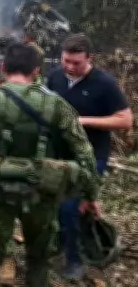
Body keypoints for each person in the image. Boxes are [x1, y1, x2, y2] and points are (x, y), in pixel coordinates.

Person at [0, 42, 102, 286]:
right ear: (36, 71)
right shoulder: (56, 105)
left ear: (3, 67)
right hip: (41, 193)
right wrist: (90, 196)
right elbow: (84, 154)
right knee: (39, 260)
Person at [44, 33, 132, 280]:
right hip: (58, 154)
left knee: (71, 205)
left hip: (91, 157)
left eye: (76, 63)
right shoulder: (54, 76)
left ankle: (74, 260)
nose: (70, 67)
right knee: (56, 204)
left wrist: (82, 122)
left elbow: (125, 119)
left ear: (89, 58)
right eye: (66, 61)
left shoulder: (104, 83)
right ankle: (59, 243)